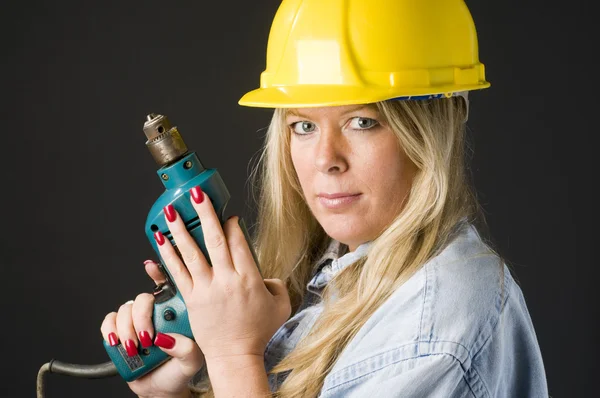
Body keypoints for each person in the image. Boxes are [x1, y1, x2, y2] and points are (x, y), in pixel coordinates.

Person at [100, 0, 548, 396]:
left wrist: (234, 353)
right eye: (304, 126)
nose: (326, 160)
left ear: (433, 131)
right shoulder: (336, 274)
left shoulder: (433, 331)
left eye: (363, 122)